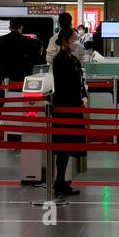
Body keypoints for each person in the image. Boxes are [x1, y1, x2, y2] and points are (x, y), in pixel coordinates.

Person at [49, 26, 86, 198]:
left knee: (68, 146)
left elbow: (80, 79)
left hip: (74, 106)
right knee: (63, 146)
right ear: (65, 40)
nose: (76, 42)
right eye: (74, 39)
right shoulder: (60, 59)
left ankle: (61, 181)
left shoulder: (72, 58)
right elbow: (64, 84)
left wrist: (83, 95)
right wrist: (77, 99)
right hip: (65, 107)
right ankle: (59, 182)